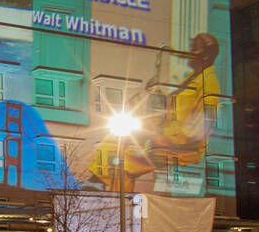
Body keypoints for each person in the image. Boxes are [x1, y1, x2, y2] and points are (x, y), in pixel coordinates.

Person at [89, 33, 221, 192]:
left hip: (181, 147)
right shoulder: (195, 78)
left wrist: (162, 136)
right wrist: (157, 92)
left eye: (194, 50)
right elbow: (178, 106)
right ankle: (96, 180)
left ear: (205, 57)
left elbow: (203, 126)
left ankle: (110, 196)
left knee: (124, 161)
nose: (188, 54)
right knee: (116, 138)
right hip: (166, 136)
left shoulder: (210, 85)